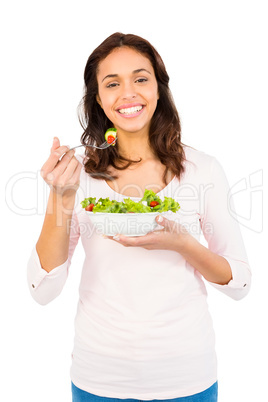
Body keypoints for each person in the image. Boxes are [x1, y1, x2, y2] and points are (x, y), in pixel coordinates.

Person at [27, 32, 251, 402]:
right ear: (98, 98)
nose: (128, 93)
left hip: (186, 376)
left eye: (141, 78)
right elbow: (43, 290)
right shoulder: (77, 172)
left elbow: (240, 283)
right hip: (98, 378)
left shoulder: (202, 169)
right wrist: (60, 196)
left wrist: (183, 245)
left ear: (159, 90)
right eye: (112, 83)